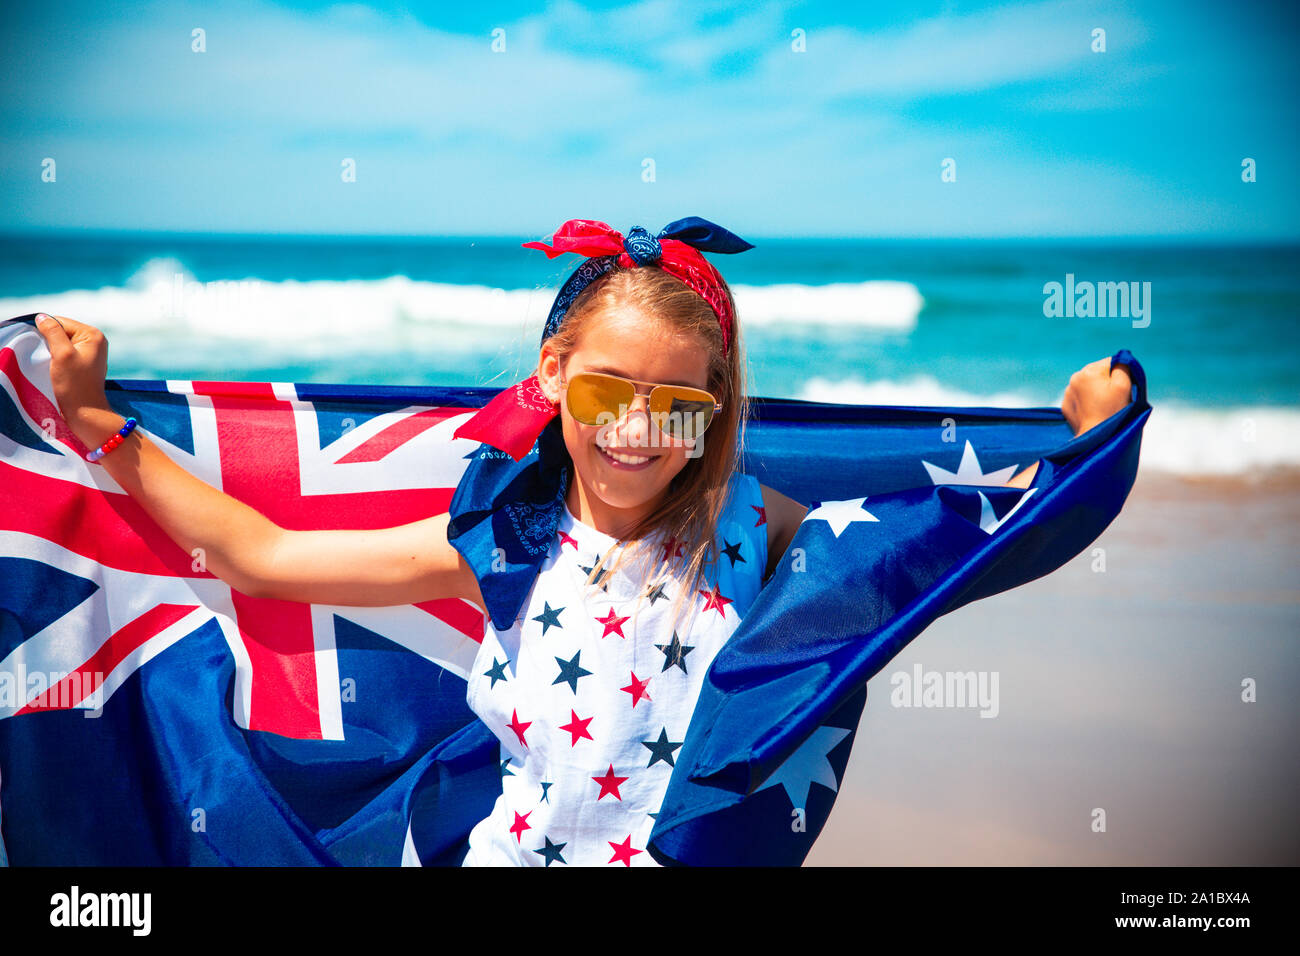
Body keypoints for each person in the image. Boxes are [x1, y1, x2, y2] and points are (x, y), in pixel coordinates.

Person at [32, 216, 1133, 866]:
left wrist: (1082, 446)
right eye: (608, 387)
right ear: (553, 373)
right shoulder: (502, 546)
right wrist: (97, 424)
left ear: (715, 410)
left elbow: (949, 544)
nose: (636, 430)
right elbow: (261, 553)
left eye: (677, 407)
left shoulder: (754, 533)